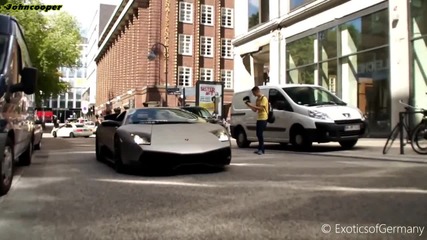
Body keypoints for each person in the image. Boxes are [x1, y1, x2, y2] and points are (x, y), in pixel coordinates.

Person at [245, 86, 268, 155]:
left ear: (256, 91)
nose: (253, 94)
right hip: (259, 118)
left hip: (263, 118)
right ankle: (260, 149)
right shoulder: (257, 99)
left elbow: (261, 108)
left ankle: (261, 149)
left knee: (260, 134)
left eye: (254, 93)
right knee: (258, 134)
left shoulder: (264, 98)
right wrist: (248, 105)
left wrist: (251, 105)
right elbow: (255, 110)